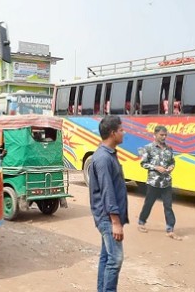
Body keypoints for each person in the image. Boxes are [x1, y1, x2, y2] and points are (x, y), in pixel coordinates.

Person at [89, 115, 128, 292]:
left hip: (107, 217)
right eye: (121, 130)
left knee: (106, 257)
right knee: (115, 259)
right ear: (113, 133)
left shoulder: (108, 155)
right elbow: (107, 191)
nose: (124, 132)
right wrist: (115, 222)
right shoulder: (103, 158)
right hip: (107, 218)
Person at [137, 125, 182, 240]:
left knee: (168, 205)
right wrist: (156, 167)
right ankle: (141, 222)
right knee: (149, 203)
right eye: (161, 135)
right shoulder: (148, 148)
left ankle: (170, 229)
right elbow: (143, 163)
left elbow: (172, 161)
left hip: (166, 182)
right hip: (153, 182)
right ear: (155, 135)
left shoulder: (169, 148)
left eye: (165, 135)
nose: (164, 137)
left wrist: (171, 167)